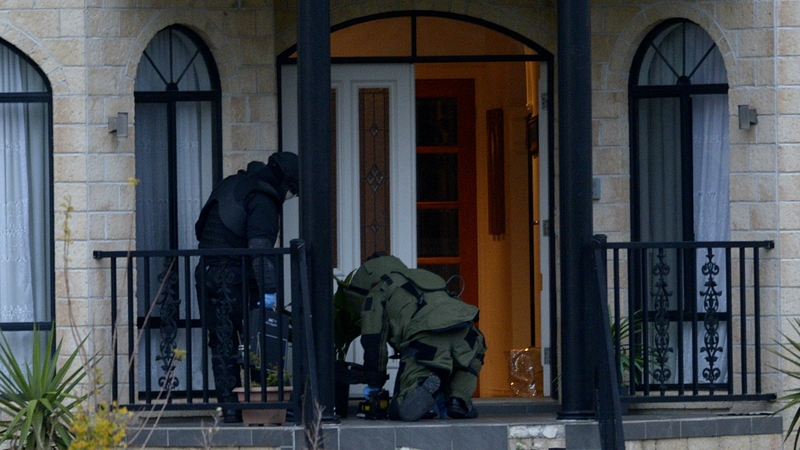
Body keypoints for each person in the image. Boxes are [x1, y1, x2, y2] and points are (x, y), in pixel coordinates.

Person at [194, 152, 298, 423]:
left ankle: (230, 408)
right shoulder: (263, 198)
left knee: (222, 343)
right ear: (285, 182)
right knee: (261, 340)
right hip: (235, 279)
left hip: (208, 274)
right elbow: (260, 252)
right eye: (293, 191)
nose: (290, 197)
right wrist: (270, 296)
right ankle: (262, 405)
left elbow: (200, 228)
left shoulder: (231, 184)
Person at [344, 254, 487, 421]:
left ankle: (420, 387)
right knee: (465, 363)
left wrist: (375, 383)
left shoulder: (379, 291)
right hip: (469, 336)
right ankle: (458, 400)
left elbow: (374, 341)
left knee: (400, 407)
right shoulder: (423, 277)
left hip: (426, 343)